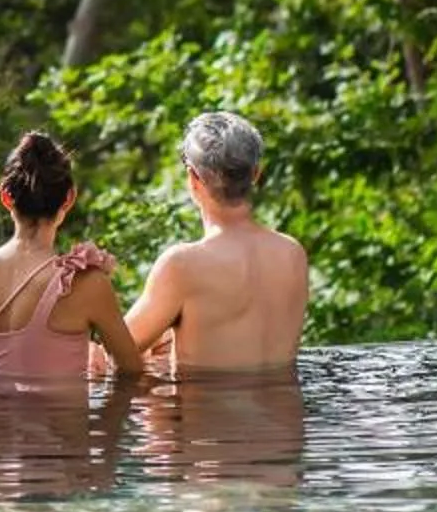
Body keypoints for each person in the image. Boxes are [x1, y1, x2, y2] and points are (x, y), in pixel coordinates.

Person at [115, 110, 308, 374]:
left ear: (193, 178)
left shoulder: (182, 265)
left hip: (209, 414)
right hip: (281, 414)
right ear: (256, 174)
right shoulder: (292, 253)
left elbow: (115, 352)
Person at [0, 131, 150, 384]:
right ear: (69, 198)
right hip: (59, 424)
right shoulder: (85, 283)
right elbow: (131, 373)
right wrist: (106, 422)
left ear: (6, 197)